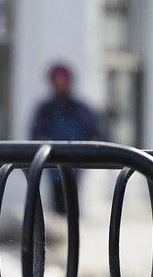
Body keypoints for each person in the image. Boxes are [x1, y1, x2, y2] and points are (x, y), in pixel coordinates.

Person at [30, 63, 105, 214]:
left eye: (63, 81)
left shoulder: (80, 109)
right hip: (53, 163)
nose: (60, 85)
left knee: (72, 201)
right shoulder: (47, 109)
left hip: (75, 164)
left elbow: (96, 132)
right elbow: (36, 133)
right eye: (56, 81)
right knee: (58, 203)